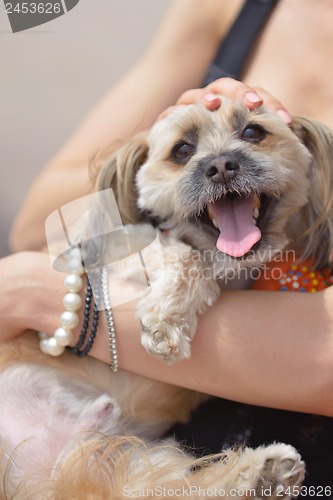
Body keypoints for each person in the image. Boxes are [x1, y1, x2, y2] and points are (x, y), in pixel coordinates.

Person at [2, 0, 333, 492]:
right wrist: (153, 146)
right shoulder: (221, 7)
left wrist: (54, 299)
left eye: (254, 134)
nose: (221, 163)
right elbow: (36, 230)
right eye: (185, 152)